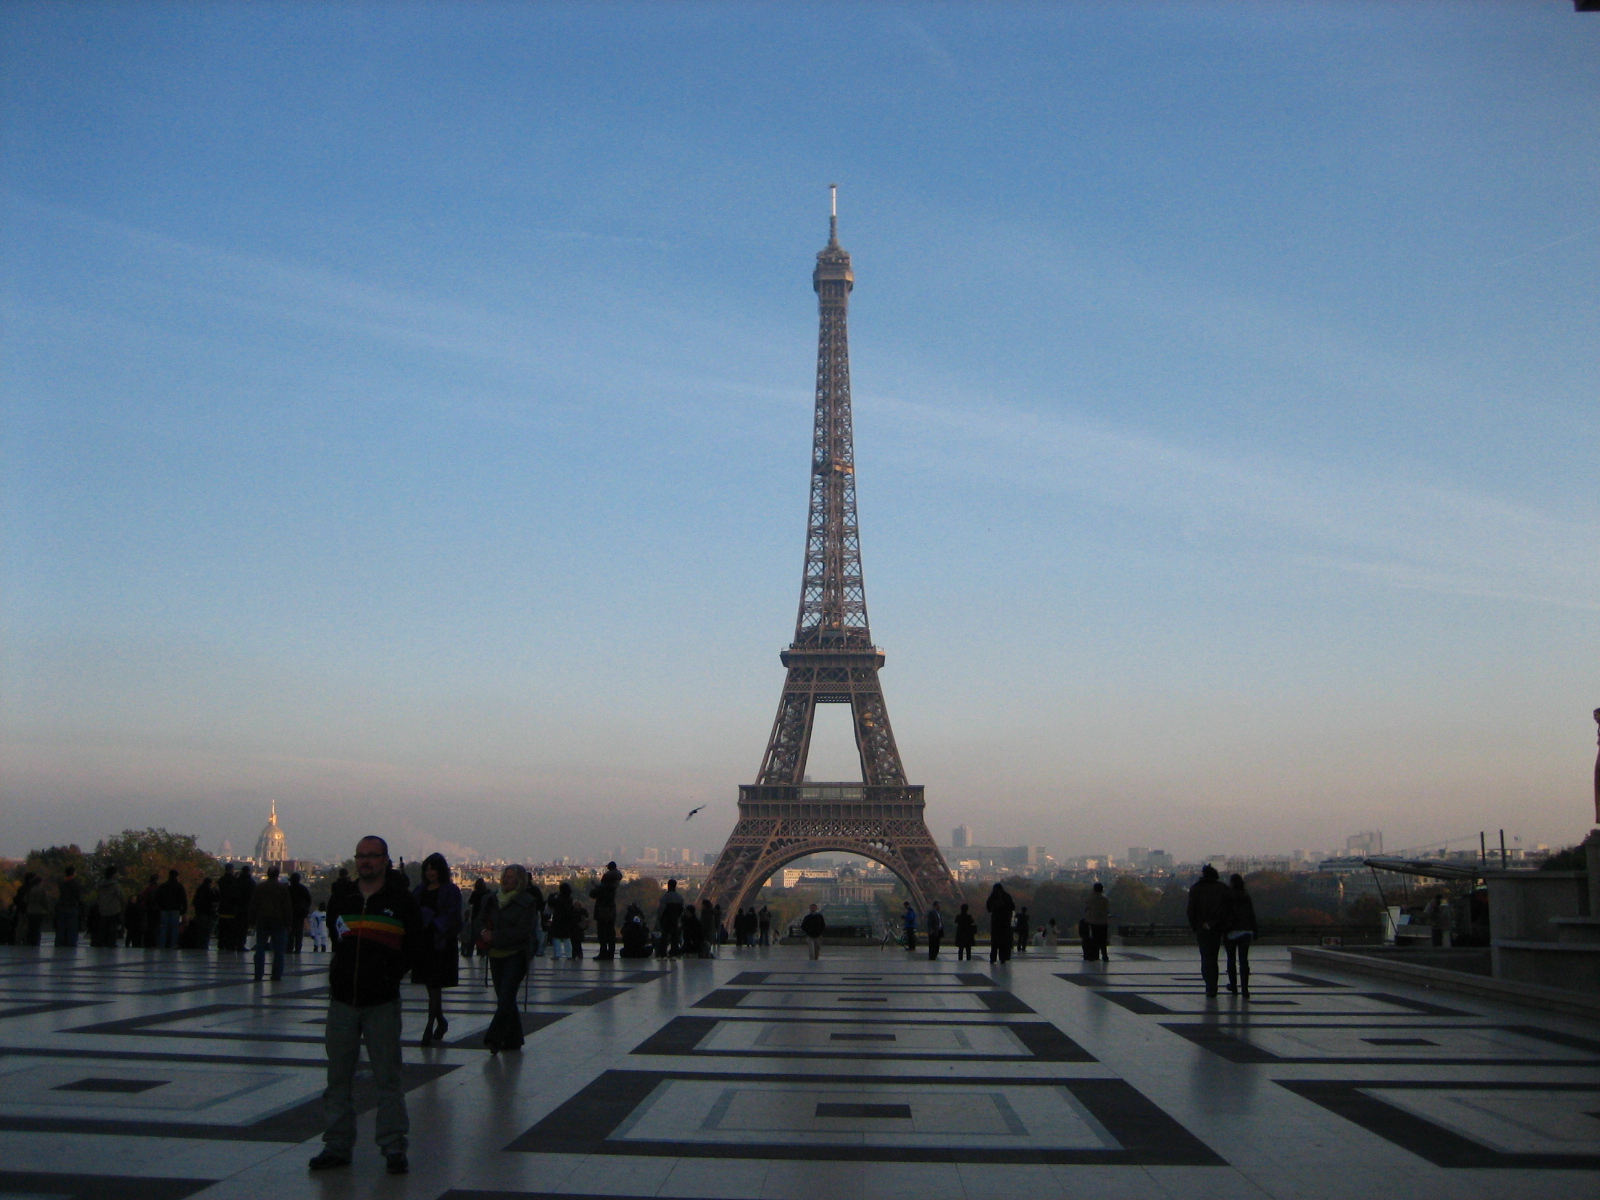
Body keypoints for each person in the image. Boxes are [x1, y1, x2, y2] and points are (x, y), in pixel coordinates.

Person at [310, 835, 422, 1176]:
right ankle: (337, 1144)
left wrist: (389, 974)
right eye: (361, 856)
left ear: (385, 860)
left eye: (372, 856)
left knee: (387, 1077)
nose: (366, 861)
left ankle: (394, 1145)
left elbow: (413, 944)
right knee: (338, 1077)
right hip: (344, 998)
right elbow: (337, 937)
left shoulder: (400, 900)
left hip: (381, 1000)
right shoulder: (343, 897)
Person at [481, 864, 539, 1055]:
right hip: (496, 953)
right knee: (505, 997)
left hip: (516, 953)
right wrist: (483, 932)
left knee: (506, 996)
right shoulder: (491, 899)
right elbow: (479, 920)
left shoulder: (527, 902)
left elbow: (523, 930)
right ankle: (514, 1039)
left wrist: (495, 936)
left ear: (520, 881)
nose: (506, 880)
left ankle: (494, 1036)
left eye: (511, 877)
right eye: (505, 876)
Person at [413, 853, 463, 1045]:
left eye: (433, 869)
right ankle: (440, 1020)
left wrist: (434, 923)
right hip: (424, 943)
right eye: (427, 869)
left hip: (440, 942)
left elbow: (453, 916)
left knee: (434, 985)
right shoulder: (420, 889)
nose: (429, 872)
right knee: (431, 986)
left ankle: (429, 1026)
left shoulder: (451, 890)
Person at [1187, 864, 1231, 997]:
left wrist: (1195, 926)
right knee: (1213, 957)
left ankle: (1209, 985)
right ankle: (1213, 985)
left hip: (1201, 927)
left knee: (1206, 957)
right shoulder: (1222, 888)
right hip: (1217, 927)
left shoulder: (1196, 888)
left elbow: (1191, 910)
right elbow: (1227, 909)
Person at [248, 864, 293, 981]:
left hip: (263, 919)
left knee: (260, 948)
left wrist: (252, 920)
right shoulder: (282, 888)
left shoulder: (261, 887)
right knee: (279, 950)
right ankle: (277, 974)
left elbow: (254, 904)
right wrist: (288, 923)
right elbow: (287, 907)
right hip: (278, 920)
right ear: (278, 875)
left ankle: (258, 973)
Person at [1224, 873, 1257, 997]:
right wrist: (1255, 930)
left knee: (1231, 960)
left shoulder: (1227, 896)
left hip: (1231, 930)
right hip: (1246, 930)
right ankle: (1245, 989)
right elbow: (1251, 914)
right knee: (1243, 961)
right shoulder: (1246, 896)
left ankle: (1233, 985)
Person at [589, 862, 621, 960]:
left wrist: (596, 886)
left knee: (602, 932)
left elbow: (593, 894)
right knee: (610, 932)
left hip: (601, 909)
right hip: (611, 909)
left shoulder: (605, 883)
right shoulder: (615, 883)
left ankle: (603, 952)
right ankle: (611, 953)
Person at [93, 865, 124, 947]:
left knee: (103, 927)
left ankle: (102, 942)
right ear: (113, 874)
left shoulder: (100, 885)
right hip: (114, 909)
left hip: (102, 909)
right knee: (112, 928)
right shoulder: (115, 885)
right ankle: (111, 943)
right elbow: (121, 896)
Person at [155, 869, 187, 949]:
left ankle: (162, 944)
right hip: (176, 909)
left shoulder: (163, 886)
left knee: (164, 927)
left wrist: (159, 907)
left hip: (164, 909)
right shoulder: (179, 886)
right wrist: (184, 909)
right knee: (174, 928)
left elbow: (158, 897)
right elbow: (183, 898)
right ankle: (173, 944)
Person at [986, 883, 1016, 964]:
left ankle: (993, 957)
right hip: (1005, 921)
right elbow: (1012, 907)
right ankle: (1003, 957)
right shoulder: (1007, 896)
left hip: (995, 921)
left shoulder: (992, 897)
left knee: (994, 941)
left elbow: (988, 908)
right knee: (1004, 940)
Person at [547, 881, 577, 960]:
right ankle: (569, 955)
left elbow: (550, 903)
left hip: (558, 920)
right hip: (567, 920)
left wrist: (551, 895)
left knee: (556, 938)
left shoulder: (558, 899)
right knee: (566, 938)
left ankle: (557, 954)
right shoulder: (569, 899)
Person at [54, 867, 83, 948]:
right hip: (72, 907)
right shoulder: (75, 884)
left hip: (62, 906)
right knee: (72, 927)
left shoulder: (62, 884)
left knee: (61, 927)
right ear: (73, 873)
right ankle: (71, 943)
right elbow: (78, 896)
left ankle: (60, 942)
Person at [657, 878, 684, 958]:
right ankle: (674, 953)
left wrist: (660, 918)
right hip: (675, 919)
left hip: (666, 919)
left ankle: (663, 953)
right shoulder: (679, 897)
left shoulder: (665, 897)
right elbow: (681, 909)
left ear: (668, 886)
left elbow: (661, 909)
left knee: (664, 937)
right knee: (675, 937)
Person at [214, 864, 239, 951]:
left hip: (222, 907)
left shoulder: (221, 880)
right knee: (231, 928)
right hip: (232, 908)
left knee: (222, 927)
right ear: (232, 869)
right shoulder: (234, 880)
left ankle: (221, 943)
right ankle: (230, 944)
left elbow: (217, 893)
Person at [1085, 882, 1110, 963]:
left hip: (1093, 922)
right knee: (1103, 940)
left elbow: (1087, 909)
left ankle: (1093, 955)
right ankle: (1104, 955)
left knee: (1094, 939)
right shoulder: (1105, 899)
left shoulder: (1090, 899)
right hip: (1103, 922)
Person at [233, 866, 256, 953]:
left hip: (236, 907)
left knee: (236, 926)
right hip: (246, 908)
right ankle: (241, 944)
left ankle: (234, 943)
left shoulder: (236, 881)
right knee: (243, 927)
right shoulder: (251, 882)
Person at [288, 871, 312, 953]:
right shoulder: (303, 889)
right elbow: (309, 900)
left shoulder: (289, 889)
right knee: (299, 931)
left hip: (291, 913)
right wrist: (305, 910)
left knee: (291, 932)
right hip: (301, 913)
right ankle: (298, 948)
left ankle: (289, 948)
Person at [191, 876, 217, 949]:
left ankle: (199, 944)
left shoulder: (199, 891)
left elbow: (194, 901)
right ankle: (205, 945)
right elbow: (216, 899)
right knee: (207, 930)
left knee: (200, 930)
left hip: (199, 912)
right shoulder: (209, 891)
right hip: (208, 913)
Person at [23, 874, 49, 945]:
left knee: (31, 927)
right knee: (37, 927)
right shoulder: (42, 890)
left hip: (30, 910)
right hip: (39, 911)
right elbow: (45, 901)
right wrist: (46, 908)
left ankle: (29, 940)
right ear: (40, 882)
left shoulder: (29, 889)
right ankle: (36, 941)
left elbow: (25, 900)